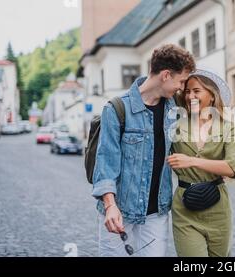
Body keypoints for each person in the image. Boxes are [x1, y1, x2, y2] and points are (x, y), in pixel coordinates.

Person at [92, 44, 196, 257]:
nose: (182, 87)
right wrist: (110, 206)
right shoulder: (117, 109)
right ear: (166, 75)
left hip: (156, 213)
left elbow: (206, 93)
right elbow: (106, 163)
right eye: (181, 81)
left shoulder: (174, 108)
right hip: (120, 211)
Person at [166, 69, 235, 257]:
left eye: (196, 91)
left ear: (211, 95)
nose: (190, 96)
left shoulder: (228, 127)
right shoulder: (175, 126)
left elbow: (232, 168)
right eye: (187, 92)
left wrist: (191, 161)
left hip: (218, 207)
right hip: (185, 208)